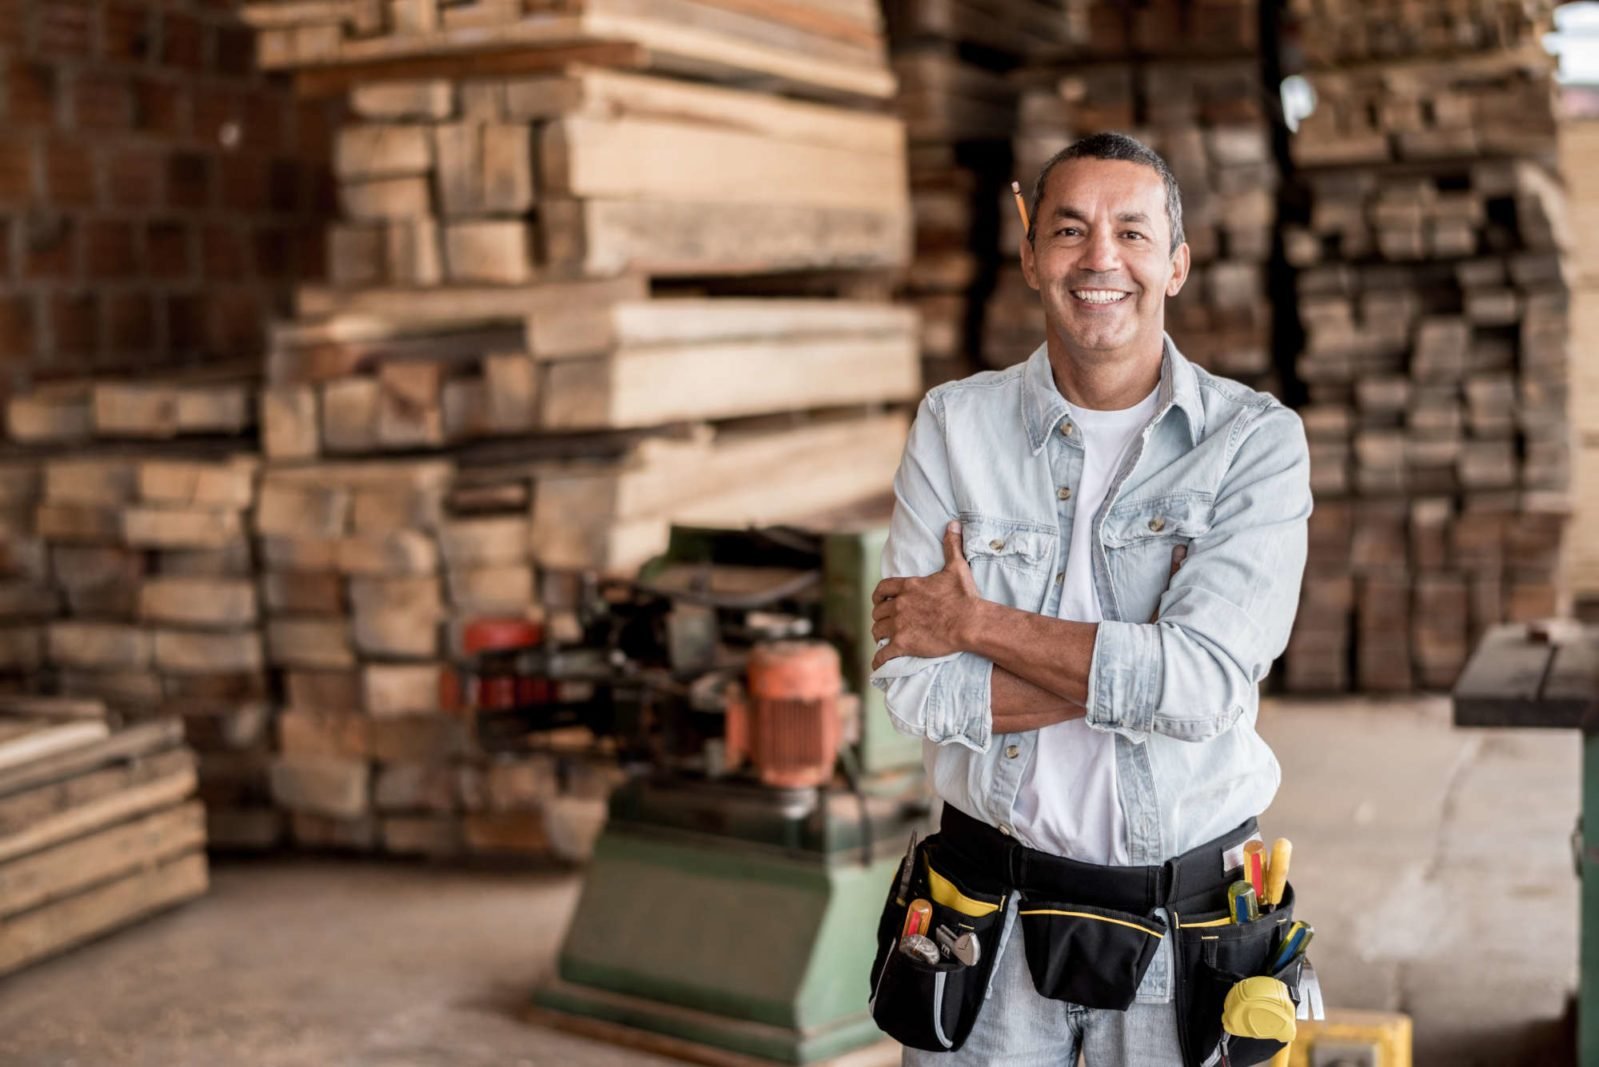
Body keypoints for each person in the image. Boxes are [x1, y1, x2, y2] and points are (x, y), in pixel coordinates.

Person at [866, 132, 1312, 1066]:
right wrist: (1149, 663)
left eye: (1132, 232)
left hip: (1187, 923)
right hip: (982, 921)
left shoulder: (1253, 444)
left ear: (1176, 265)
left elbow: (1206, 687)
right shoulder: (954, 426)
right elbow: (911, 688)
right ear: (1029, 255)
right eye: (1068, 230)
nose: (1099, 258)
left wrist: (977, 625)